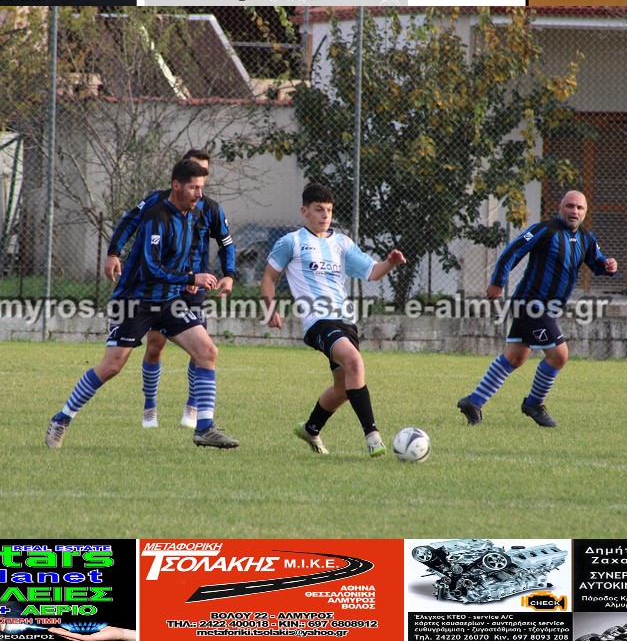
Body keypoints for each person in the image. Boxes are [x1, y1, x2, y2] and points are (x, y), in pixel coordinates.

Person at [45, 159, 239, 449]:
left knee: (207, 351)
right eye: (194, 188)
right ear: (176, 186)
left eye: (202, 188)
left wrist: (187, 278)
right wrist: (190, 277)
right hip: (136, 301)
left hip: (169, 301)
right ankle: (61, 418)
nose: (200, 194)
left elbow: (181, 256)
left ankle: (204, 428)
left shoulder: (191, 215)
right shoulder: (156, 217)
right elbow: (151, 268)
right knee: (112, 366)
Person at [260, 183, 407, 457]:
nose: (325, 215)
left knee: (343, 388)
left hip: (346, 322)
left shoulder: (341, 243)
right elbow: (268, 277)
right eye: (319, 209)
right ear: (305, 211)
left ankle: (311, 428)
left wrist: (390, 263)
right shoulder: (291, 242)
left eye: (328, 210)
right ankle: (372, 436)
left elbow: (373, 272)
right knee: (354, 362)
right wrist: (270, 310)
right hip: (318, 322)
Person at [457, 190, 618, 428]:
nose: (574, 211)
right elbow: (512, 252)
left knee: (515, 356)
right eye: (570, 206)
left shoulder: (586, 238)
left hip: (547, 309)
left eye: (579, 208)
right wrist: (498, 281)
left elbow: (597, 262)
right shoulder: (545, 230)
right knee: (559, 355)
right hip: (531, 305)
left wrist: (609, 265)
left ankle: (473, 402)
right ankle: (533, 404)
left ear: (585, 211)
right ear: (560, 207)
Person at [104, 149, 235, 429]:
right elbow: (129, 222)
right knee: (154, 347)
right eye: (194, 174)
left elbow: (226, 243)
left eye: (203, 175)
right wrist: (114, 251)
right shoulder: (157, 202)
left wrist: (229, 274)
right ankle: (150, 407)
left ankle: (194, 408)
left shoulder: (210, 208)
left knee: (202, 348)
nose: (198, 184)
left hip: (195, 286)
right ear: (180, 178)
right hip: (163, 283)